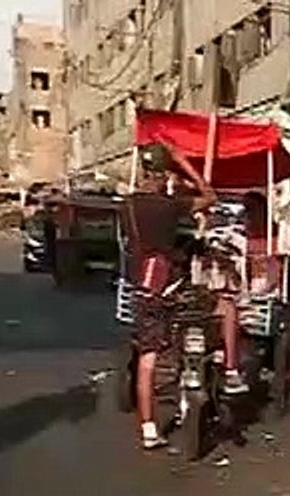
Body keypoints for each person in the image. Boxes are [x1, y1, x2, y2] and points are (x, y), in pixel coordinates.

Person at [125, 143, 217, 449]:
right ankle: (201, 383)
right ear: (164, 173)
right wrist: (186, 165)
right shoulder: (170, 206)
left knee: (147, 359)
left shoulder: (128, 205)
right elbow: (210, 197)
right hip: (172, 285)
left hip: (143, 285)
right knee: (197, 326)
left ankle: (149, 427)